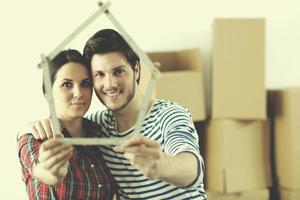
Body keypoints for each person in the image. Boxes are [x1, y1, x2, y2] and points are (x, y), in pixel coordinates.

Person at [20, 29, 207, 199]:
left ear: (136, 70)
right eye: (99, 75)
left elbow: (191, 168)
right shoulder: (98, 127)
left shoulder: (170, 114)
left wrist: (163, 165)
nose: (110, 84)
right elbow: (40, 156)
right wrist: (26, 129)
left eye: (118, 72)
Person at [17, 49, 117, 200]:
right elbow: (41, 170)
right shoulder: (36, 136)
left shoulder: (100, 134)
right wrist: (51, 170)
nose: (78, 93)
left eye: (85, 83)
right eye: (67, 84)